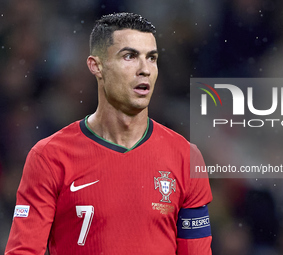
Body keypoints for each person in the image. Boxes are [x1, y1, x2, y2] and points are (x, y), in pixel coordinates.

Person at [5, 12, 213, 255]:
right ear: (97, 66)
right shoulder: (49, 157)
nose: (145, 69)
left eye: (152, 58)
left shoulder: (186, 157)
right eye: (130, 56)